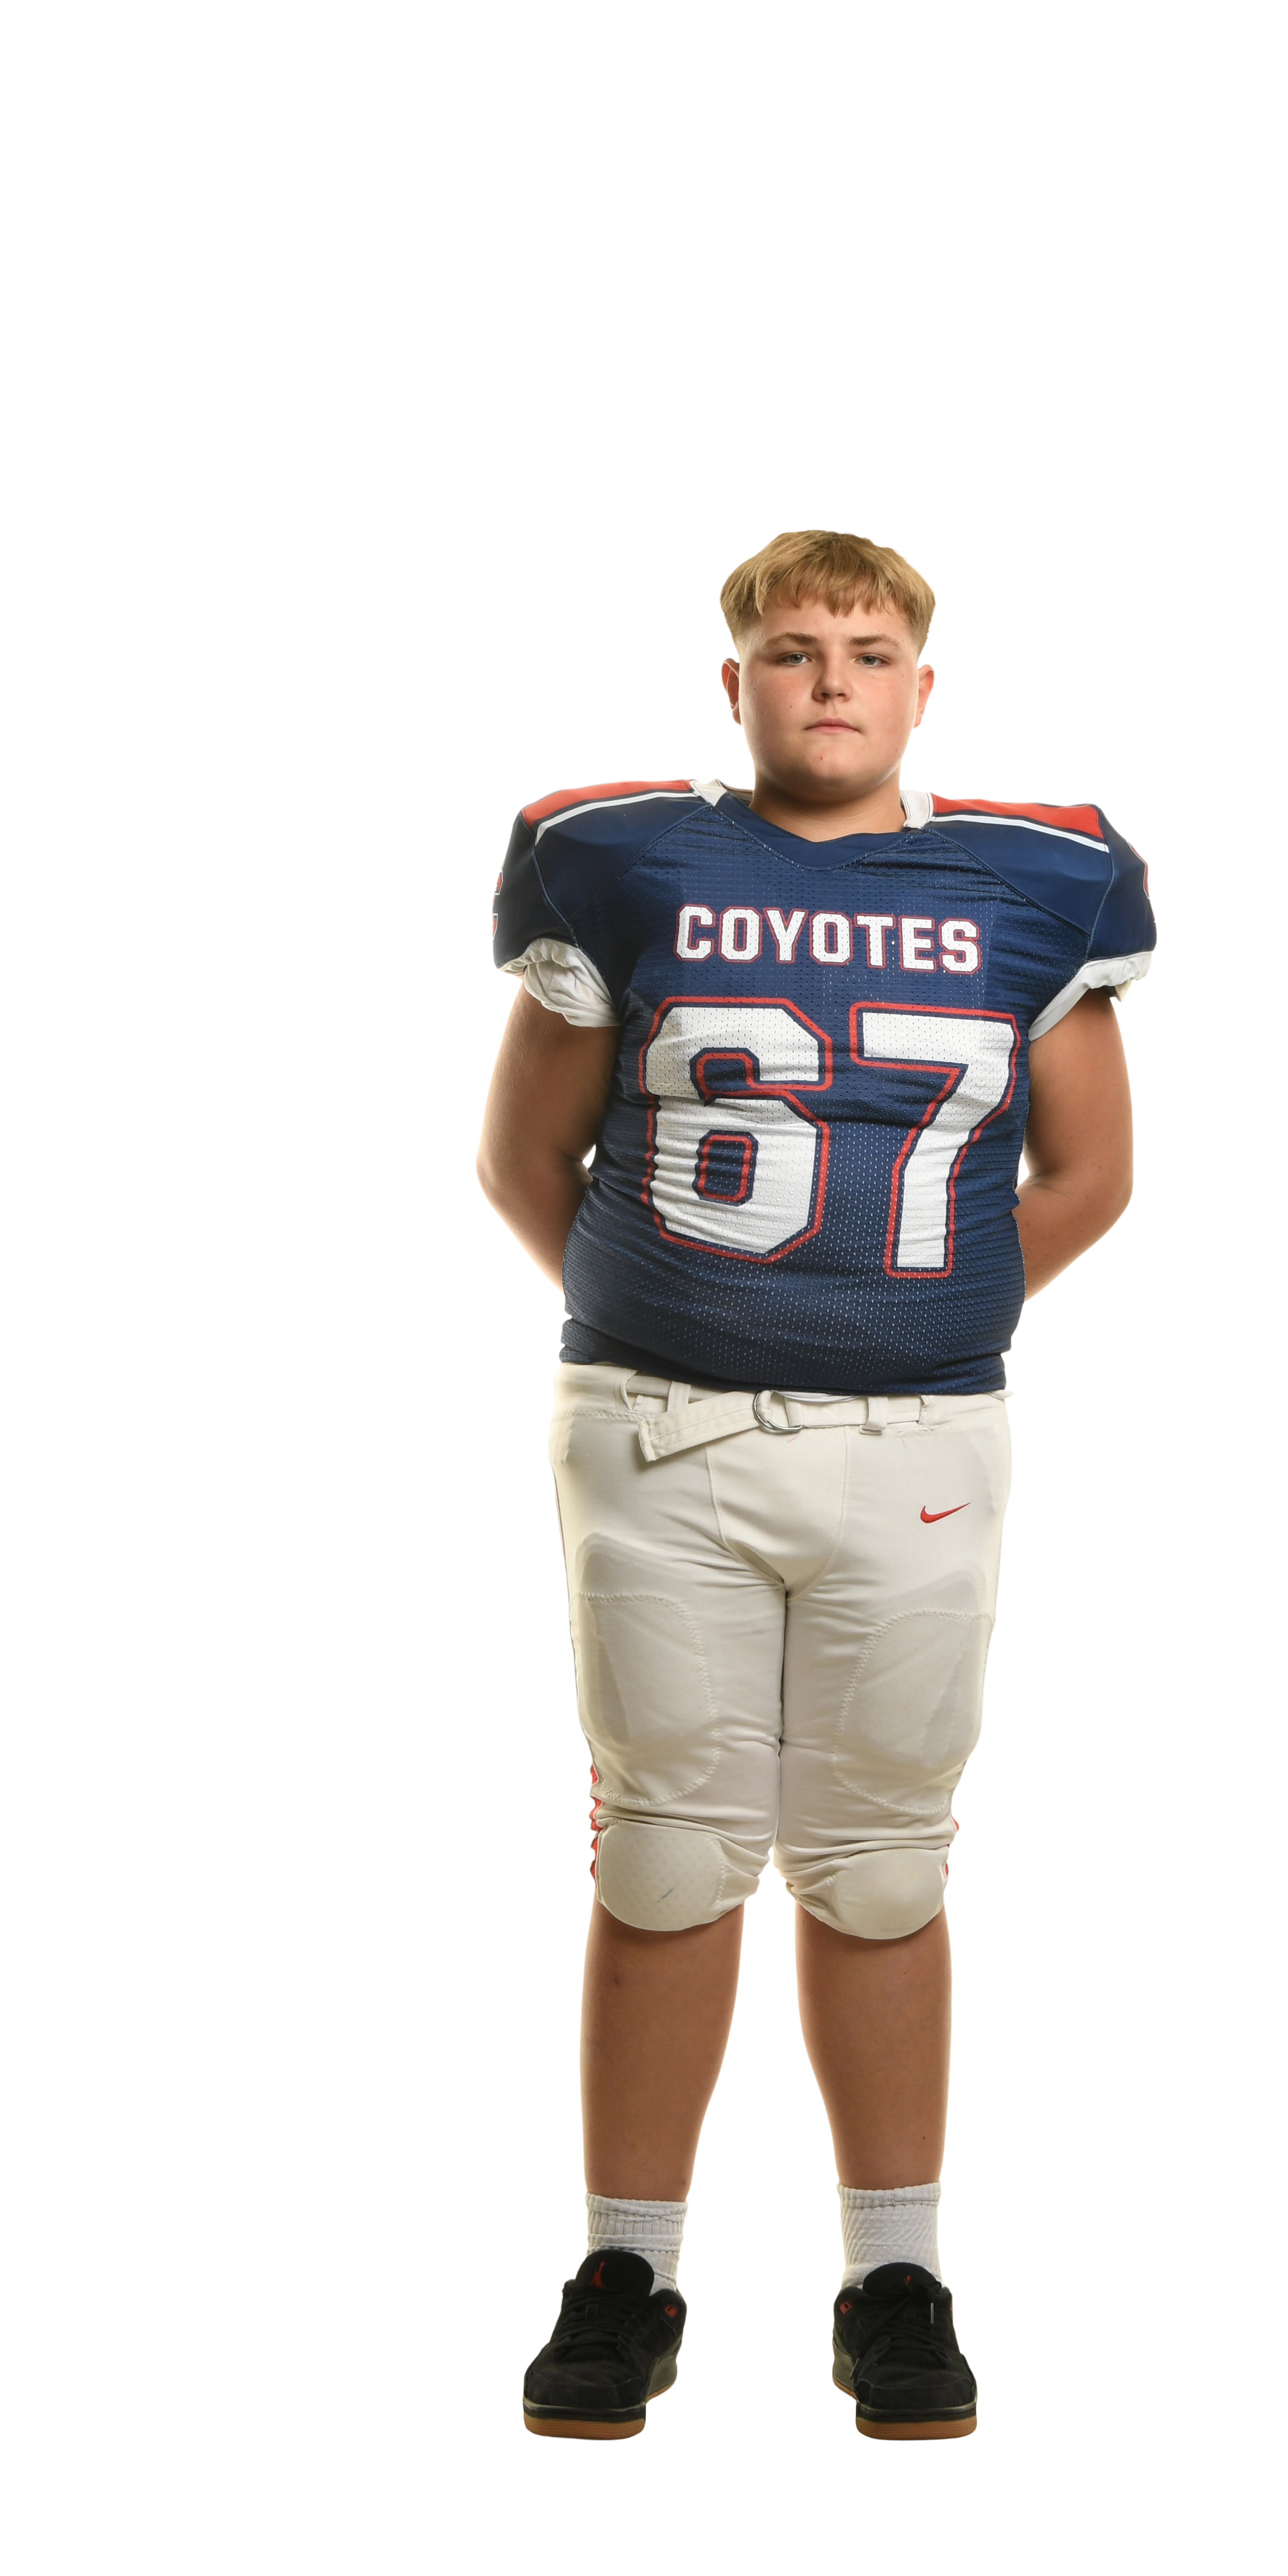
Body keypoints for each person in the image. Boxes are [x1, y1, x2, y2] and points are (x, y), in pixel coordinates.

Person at [477, 529, 1154, 2441]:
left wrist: (900, 1321)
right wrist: (675, 1320)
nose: (831, 677)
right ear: (736, 684)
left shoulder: (1034, 879)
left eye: (869, 648)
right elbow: (524, 1162)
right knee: (667, 1849)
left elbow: (1092, 1176)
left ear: (925, 684)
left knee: (878, 1862)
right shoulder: (623, 859)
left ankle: (895, 2275)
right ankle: (625, 2270)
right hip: (658, 1431)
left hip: (916, 1440)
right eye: (791, 649)